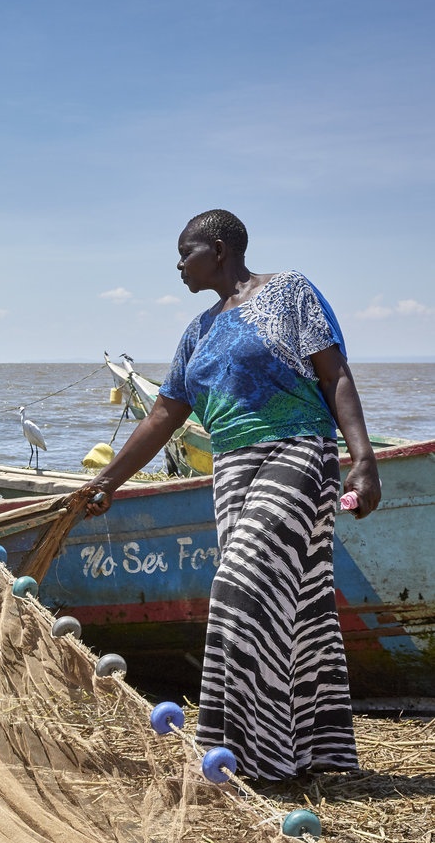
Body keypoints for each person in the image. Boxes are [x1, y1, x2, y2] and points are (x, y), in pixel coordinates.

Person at [83, 209, 382, 782]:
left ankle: (253, 756)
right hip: (232, 470)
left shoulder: (289, 293)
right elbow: (165, 414)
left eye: (185, 253)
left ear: (218, 250)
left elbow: (334, 375)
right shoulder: (198, 331)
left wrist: (363, 461)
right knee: (301, 609)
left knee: (237, 586)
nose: (177, 265)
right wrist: (105, 483)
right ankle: (314, 755)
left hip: (297, 452)